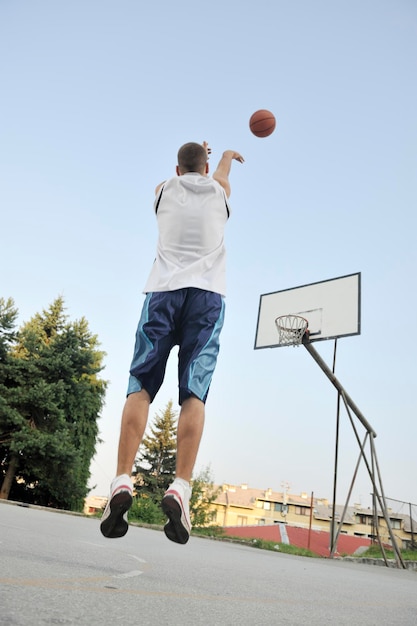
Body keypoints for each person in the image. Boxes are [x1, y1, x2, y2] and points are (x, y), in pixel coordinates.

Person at [100, 141, 244, 544]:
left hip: (162, 292)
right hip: (207, 299)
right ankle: (180, 486)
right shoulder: (219, 192)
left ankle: (122, 479)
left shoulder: (164, 189)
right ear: (207, 166)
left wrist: (199, 161)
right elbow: (220, 179)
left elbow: (191, 171)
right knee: (193, 393)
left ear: (178, 170)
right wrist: (227, 159)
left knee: (141, 386)